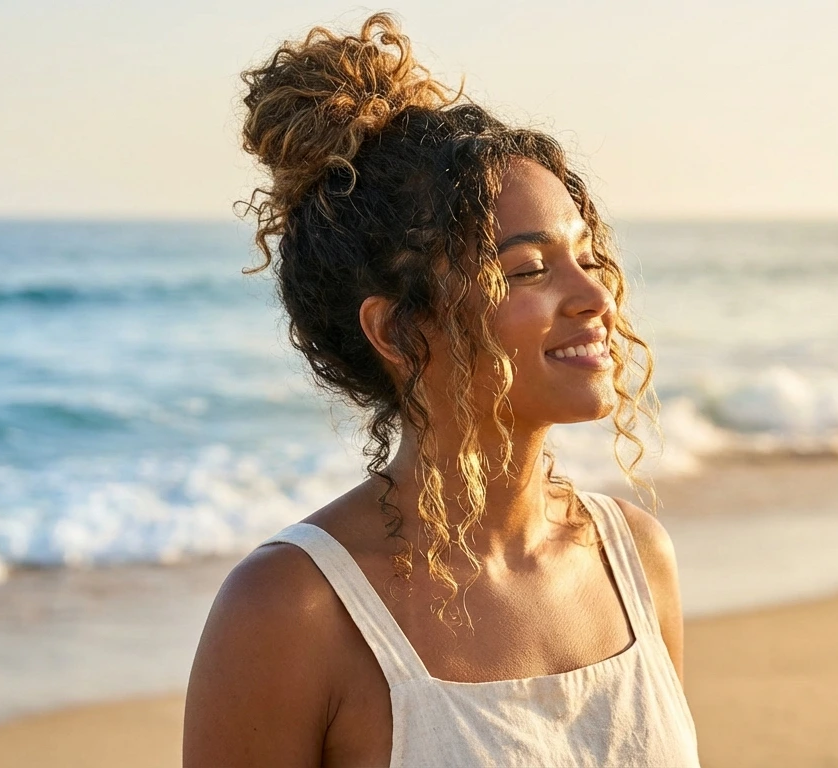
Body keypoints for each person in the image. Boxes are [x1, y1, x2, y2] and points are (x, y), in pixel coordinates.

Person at [183, 12, 698, 767]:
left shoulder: (635, 560)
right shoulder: (294, 611)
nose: (595, 295)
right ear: (395, 331)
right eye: (526, 270)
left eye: (589, 258)